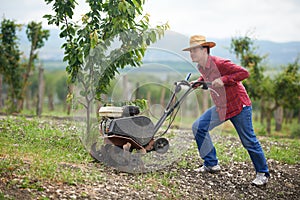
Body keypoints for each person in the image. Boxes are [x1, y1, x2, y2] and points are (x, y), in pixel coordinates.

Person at [182, 35, 270, 186]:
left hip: (238, 106)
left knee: (248, 140)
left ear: (205, 50)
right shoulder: (201, 66)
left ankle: (262, 173)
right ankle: (211, 163)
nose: (191, 54)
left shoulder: (220, 63)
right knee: (199, 127)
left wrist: (223, 80)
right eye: (190, 51)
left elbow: (244, 73)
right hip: (222, 107)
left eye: (194, 50)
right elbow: (206, 77)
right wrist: (197, 82)